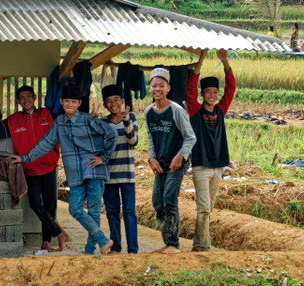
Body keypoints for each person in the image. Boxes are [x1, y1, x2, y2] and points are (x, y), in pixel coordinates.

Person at [10, 85, 117, 255]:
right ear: (61, 102)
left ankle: (91, 249)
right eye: (67, 101)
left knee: (95, 210)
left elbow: (112, 133)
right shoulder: (59, 122)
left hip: (94, 170)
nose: (69, 104)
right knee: (74, 209)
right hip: (75, 173)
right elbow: (46, 143)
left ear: (79, 103)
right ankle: (103, 240)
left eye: (73, 102)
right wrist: (24, 158)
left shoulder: (88, 119)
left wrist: (103, 158)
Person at [0, 85, 68, 252]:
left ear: (34, 98)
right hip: (29, 169)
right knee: (35, 204)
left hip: (49, 166)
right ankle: (58, 232)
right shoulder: (14, 120)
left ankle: (46, 241)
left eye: (28, 96)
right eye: (22, 98)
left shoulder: (47, 114)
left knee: (50, 205)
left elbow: (68, 115)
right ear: (18, 101)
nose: (26, 100)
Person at [186, 49, 236, 252]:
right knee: (204, 209)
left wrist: (225, 62)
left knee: (209, 209)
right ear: (202, 94)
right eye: (208, 93)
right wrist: (202, 58)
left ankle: (201, 244)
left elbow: (231, 88)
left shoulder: (220, 111)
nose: (213, 96)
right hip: (201, 167)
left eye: (215, 92)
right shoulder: (195, 111)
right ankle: (201, 246)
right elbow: (190, 87)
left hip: (218, 168)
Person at [145, 68, 196, 254]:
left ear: (168, 88)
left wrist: (179, 156)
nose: (157, 88)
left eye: (161, 85)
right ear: (149, 88)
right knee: (157, 201)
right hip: (161, 160)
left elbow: (190, 137)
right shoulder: (149, 112)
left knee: (169, 199)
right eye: (154, 85)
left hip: (178, 160)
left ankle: (173, 244)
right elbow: (151, 138)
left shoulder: (176, 110)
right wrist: (151, 158)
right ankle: (167, 242)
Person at [100, 84, 139, 254]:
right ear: (105, 105)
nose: (113, 103)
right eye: (108, 101)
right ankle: (116, 246)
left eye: (116, 99)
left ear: (122, 101)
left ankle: (133, 249)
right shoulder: (101, 122)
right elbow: (98, 146)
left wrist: (126, 121)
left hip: (127, 176)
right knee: (112, 212)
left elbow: (133, 141)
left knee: (130, 212)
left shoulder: (131, 118)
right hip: (108, 175)